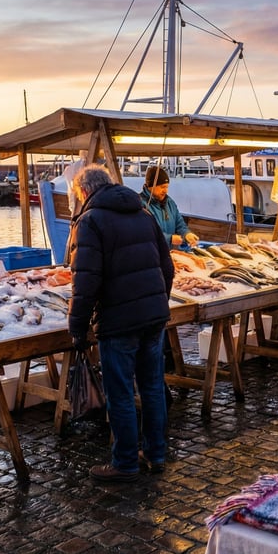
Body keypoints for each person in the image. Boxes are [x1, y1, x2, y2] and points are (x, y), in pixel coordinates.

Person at [67, 164, 174, 481]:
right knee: (153, 388)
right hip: (153, 319)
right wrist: (156, 301)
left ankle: (125, 462)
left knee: (121, 393)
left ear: (84, 192)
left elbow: (85, 283)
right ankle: (156, 455)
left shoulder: (90, 221)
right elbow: (167, 267)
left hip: (118, 322)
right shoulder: (144, 214)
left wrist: (78, 328)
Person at [139, 166, 200, 248]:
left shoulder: (169, 203)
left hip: (169, 254)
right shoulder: (140, 204)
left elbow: (179, 223)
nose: (165, 190)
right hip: (151, 254)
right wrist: (169, 239)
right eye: (162, 187)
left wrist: (186, 234)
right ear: (151, 185)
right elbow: (144, 232)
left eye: (167, 187)